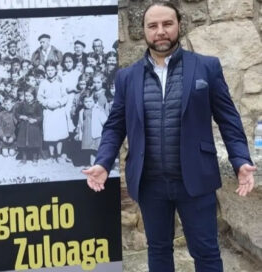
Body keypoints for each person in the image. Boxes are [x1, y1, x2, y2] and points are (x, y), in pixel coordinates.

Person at [82, 2, 256, 272]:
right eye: (153, 26)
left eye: (167, 24)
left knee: (207, 253)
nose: (160, 31)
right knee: (159, 250)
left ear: (179, 25)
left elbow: (229, 119)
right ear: (143, 31)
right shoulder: (127, 77)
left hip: (196, 182)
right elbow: (115, 126)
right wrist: (104, 162)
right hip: (151, 184)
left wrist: (241, 160)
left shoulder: (206, 68)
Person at [37, 60, 68, 162]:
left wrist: (59, 103)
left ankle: (58, 155)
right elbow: (39, 97)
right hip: (48, 111)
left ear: (56, 70)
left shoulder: (60, 82)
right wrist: (47, 103)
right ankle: (51, 155)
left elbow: (65, 97)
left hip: (58, 111)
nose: (50, 72)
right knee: (50, 134)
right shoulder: (43, 83)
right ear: (45, 71)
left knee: (59, 134)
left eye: (52, 70)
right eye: (48, 70)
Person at [75, 91, 107, 166]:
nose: (88, 103)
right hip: (87, 133)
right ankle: (92, 164)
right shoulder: (82, 111)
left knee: (97, 149)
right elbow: (80, 123)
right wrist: (78, 132)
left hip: (97, 133)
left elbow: (104, 121)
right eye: (86, 101)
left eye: (90, 101)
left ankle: (100, 164)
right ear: (83, 102)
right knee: (90, 150)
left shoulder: (98, 109)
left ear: (94, 101)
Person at [16, 88, 43, 165]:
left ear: (34, 96)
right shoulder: (22, 104)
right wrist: (21, 116)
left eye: (30, 96)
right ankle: (24, 159)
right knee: (23, 143)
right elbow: (16, 113)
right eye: (26, 96)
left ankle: (35, 159)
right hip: (24, 126)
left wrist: (35, 120)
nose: (27, 98)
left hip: (33, 126)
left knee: (34, 142)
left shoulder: (37, 105)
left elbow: (40, 116)